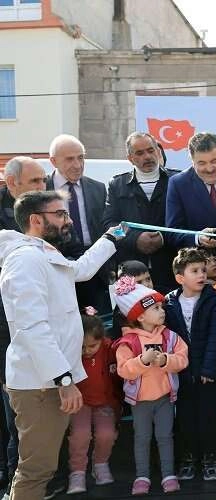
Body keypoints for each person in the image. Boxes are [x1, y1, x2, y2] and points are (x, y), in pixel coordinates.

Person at [0, 190, 122, 499]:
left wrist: (112, 237)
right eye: (60, 214)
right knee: (35, 470)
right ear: (36, 220)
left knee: (40, 469)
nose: (68, 221)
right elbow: (32, 328)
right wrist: (64, 381)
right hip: (41, 385)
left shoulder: (42, 253)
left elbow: (80, 270)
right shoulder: (25, 260)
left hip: (49, 382)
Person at [112, 275, 189, 495]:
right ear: (140, 316)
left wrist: (166, 360)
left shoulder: (170, 337)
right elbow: (123, 370)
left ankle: (168, 475)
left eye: (161, 307)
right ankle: (142, 476)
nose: (162, 311)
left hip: (165, 398)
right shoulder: (128, 342)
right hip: (139, 402)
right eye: (155, 308)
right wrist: (142, 361)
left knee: (165, 437)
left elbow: (183, 359)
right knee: (142, 439)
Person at [0, 156, 46, 497]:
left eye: (44, 181)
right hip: (7, 336)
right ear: (12, 183)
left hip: (40, 335)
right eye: (35, 182)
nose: (42, 188)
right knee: (13, 422)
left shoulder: (47, 213)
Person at [164, 248, 216, 482]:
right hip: (182, 372)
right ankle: (187, 458)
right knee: (185, 417)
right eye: (195, 271)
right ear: (180, 278)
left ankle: (210, 457)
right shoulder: (170, 302)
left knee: (209, 416)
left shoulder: (212, 299)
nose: (202, 275)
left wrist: (209, 369)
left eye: (203, 270)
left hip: (206, 373)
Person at [103, 132, 179, 294]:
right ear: (130, 158)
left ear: (158, 151)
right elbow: (110, 225)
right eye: (139, 153)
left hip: (172, 267)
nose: (147, 156)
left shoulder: (177, 180)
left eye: (151, 150)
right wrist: (134, 239)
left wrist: (163, 237)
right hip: (132, 270)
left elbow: (186, 222)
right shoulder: (117, 185)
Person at [46, 134, 111, 314]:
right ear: (53, 161)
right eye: (69, 159)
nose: (77, 165)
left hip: (95, 269)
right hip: (58, 268)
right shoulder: (42, 189)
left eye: (81, 157)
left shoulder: (97, 188)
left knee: (98, 324)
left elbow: (103, 225)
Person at [165, 132, 216, 270]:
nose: (209, 169)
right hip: (198, 269)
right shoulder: (178, 183)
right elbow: (172, 231)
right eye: (202, 163)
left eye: (214, 161)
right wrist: (197, 238)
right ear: (192, 160)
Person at [66, 313, 120, 495]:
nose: (87, 351)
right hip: (80, 403)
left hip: (104, 402)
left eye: (92, 346)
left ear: (101, 340)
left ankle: (100, 465)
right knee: (80, 435)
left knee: (107, 434)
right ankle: (77, 473)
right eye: (82, 347)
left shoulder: (109, 349)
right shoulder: (70, 351)